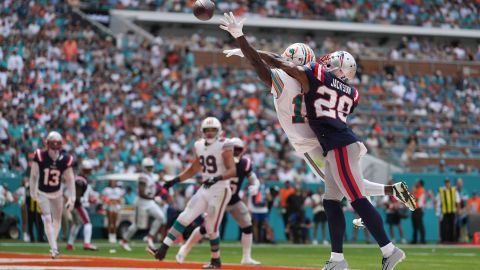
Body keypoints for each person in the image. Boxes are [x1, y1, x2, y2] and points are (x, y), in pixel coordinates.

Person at [220, 12, 408, 269]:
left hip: (319, 143)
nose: (324, 60)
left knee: (353, 193)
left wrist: (244, 44)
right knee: (332, 198)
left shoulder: (310, 74)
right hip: (331, 139)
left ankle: (388, 246)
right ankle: (337, 260)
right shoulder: (351, 92)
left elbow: (268, 64)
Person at [147, 117, 236, 269]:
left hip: (220, 189)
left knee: (211, 227)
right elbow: (194, 169)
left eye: (213, 130)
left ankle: (216, 260)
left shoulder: (225, 144)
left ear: (219, 130)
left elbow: (232, 170)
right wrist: (175, 180)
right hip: (206, 188)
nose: (209, 133)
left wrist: (216, 178)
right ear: (202, 131)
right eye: (207, 130)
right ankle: (163, 248)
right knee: (184, 216)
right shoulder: (199, 145)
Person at [175, 137, 261, 265]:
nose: (236, 152)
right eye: (234, 149)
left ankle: (246, 257)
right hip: (218, 199)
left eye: (239, 149)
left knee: (247, 225)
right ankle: (185, 249)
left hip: (234, 199)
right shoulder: (220, 161)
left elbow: (253, 178)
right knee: (206, 228)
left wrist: (256, 185)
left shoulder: (245, 163)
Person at [29, 131, 75, 258]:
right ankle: (54, 248)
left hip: (57, 192)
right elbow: (33, 175)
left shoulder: (65, 159)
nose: (55, 147)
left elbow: (70, 179)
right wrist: (32, 192)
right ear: (47, 144)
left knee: (57, 220)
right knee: (48, 219)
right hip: (43, 192)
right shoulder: (40, 155)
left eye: (57, 144)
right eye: (52, 144)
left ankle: (52, 245)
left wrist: (72, 197)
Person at [120, 157, 166, 251]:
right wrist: (154, 198)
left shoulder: (151, 176)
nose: (150, 169)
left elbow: (151, 191)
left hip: (150, 202)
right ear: (144, 167)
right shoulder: (143, 177)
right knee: (136, 225)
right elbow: (141, 193)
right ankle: (124, 241)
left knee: (161, 217)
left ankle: (150, 237)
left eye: (151, 167)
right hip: (141, 203)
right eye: (148, 167)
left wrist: (155, 197)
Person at [66, 160, 98, 251]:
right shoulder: (80, 180)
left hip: (72, 204)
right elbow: (77, 196)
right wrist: (88, 200)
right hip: (77, 205)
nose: (90, 171)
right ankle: (87, 243)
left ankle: (70, 244)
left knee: (76, 224)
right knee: (87, 223)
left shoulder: (79, 178)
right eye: (88, 170)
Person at [247, 177, 274, 244]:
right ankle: (257, 239)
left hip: (262, 208)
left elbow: (269, 197)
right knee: (256, 224)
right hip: (255, 208)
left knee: (265, 224)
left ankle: (269, 238)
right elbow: (250, 197)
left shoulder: (265, 187)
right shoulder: (253, 186)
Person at [436, 178, 460, 243]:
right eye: (446, 182)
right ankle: (444, 240)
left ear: (450, 183)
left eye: (448, 182)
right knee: (444, 226)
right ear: (445, 183)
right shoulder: (441, 190)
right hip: (444, 211)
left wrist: (458, 209)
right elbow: (438, 201)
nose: (447, 183)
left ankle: (451, 240)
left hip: (452, 211)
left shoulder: (454, 190)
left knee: (452, 226)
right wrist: (438, 211)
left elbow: (457, 200)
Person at [102, 180, 124, 244]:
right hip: (109, 206)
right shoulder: (106, 189)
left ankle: (114, 236)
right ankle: (109, 236)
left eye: (114, 182)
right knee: (109, 221)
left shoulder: (119, 190)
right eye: (112, 182)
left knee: (114, 222)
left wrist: (116, 201)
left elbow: (120, 198)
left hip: (116, 207)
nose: (113, 183)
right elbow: (103, 197)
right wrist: (108, 201)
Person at [411, 180, 426, 244]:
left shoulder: (421, 190)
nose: (416, 183)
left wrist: (413, 192)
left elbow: (416, 198)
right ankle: (415, 240)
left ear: (420, 184)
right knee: (414, 225)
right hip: (414, 209)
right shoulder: (417, 189)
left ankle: (422, 240)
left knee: (420, 225)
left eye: (418, 183)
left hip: (418, 209)